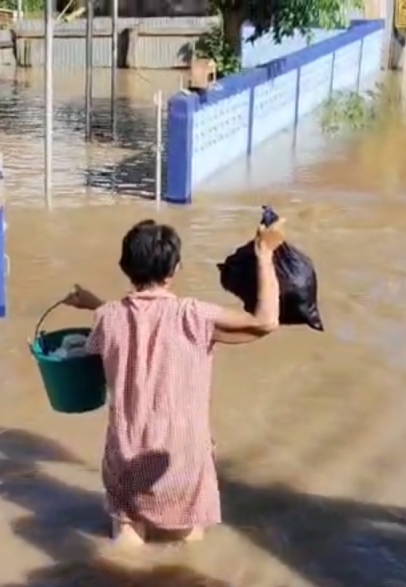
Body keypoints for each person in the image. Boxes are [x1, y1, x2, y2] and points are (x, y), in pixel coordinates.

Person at [61, 218, 285, 546]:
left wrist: (94, 304)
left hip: (126, 455)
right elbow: (265, 321)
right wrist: (264, 254)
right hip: (181, 460)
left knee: (127, 536)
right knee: (187, 545)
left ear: (125, 266)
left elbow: (127, 320)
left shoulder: (106, 318)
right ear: (175, 268)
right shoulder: (194, 316)